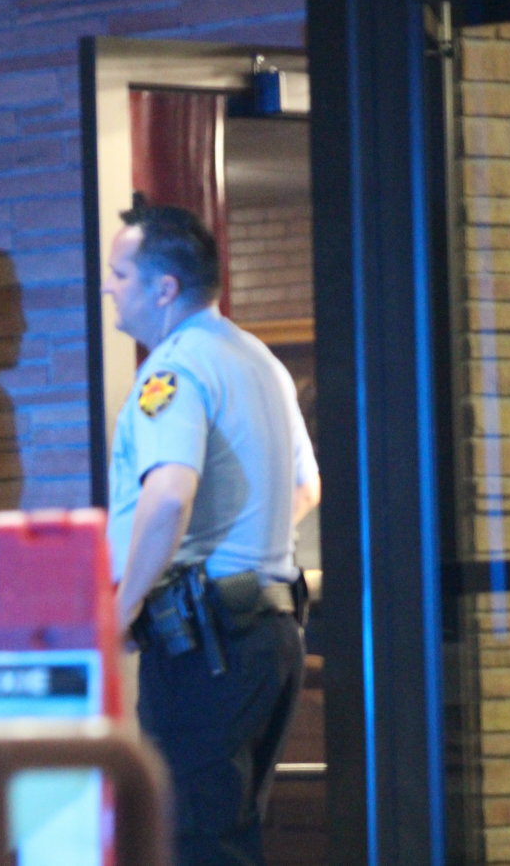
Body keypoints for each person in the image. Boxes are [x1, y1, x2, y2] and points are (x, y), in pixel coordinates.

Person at [101, 203, 320, 865]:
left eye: (119, 272)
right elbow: (307, 488)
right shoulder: (261, 362)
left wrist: (124, 606)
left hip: (207, 645)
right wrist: (242, 550)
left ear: (163, 288)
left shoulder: (176, 367)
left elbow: (167, 497)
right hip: (266, 634)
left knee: (189, 839)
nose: (109, 286)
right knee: (229, 834)